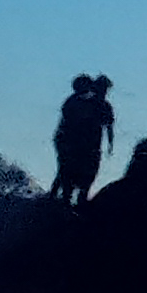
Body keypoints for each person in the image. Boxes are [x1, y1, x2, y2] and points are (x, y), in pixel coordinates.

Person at [50, 73, 113, 208]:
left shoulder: (95, 104)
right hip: (77, 145)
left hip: (84, 146)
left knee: (73, 173)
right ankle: (63, 199)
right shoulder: (83, 102)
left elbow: (108, 126)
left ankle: (68, 199)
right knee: (69, 172)